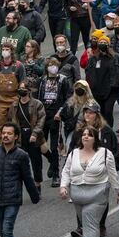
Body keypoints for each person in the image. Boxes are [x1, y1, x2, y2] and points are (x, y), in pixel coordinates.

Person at [59, 126, 119, 237]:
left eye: (90, 135)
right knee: (86, 225)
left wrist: (118, 191)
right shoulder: (73, 153)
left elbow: (112, 174)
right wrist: (63, 187)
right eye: (84, 134)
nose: (86, 137)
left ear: (95, 138)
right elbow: (66, 171)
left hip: (98, 194)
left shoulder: (105, 153)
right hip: (78, 195)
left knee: (90, 221)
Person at [7, 83, 47, 192]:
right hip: (20, 137)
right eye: (20, 88)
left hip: (33, 136)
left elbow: (41, 120)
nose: (21, 90)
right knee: (19, 163)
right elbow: (10, 120)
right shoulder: (14, 105)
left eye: (24, 88)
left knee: (36, 162)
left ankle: (37, 184)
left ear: (29, 90)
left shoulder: (37, 104)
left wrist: (34, 134)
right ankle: (18, 186)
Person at [38, 58, 71, 187]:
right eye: (50, 65)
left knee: (54, 145)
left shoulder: (63, 80)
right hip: (43, 115)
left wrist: (60, 112)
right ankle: (52, 162)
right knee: (40, 144)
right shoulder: (42, 80)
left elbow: (68, 98)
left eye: (55, 65)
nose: (53, 67)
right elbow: (38, 98)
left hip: (55, 116)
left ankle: (56, 174)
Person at [85, 33, 119, 128]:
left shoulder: (115, 57)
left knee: (108, 110)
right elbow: (87, 70)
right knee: (100, 111)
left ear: (108, 44)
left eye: (104, 42)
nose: (102, 43)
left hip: (111, 89)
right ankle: (101, 129)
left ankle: (109, 129)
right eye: (101, 42)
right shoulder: (93, 58)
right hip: (97, 89)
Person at [0, 40, 25, 134]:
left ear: (12, 51)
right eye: (3, 49)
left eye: (7, 49)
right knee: (0, 126)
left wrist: (21, 96)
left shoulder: (19, 66)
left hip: (14, 99)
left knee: (15, 125)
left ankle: (16, 145)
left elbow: (23, 81)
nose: (5, 51)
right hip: (1, 101)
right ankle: (1, 146)